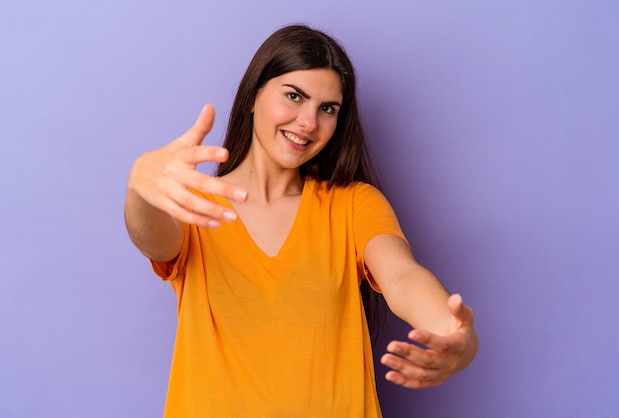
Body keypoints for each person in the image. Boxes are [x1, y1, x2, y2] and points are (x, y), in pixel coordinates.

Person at [125, 25, 478, 417]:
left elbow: (402, 276)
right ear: (254, 96)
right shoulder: (194, 204)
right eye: (294, 96)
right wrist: (140, 183)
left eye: (327, 108)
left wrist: (455, 333)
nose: (309, 122)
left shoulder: (353, 204)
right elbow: (152, 239)